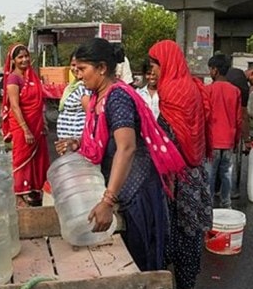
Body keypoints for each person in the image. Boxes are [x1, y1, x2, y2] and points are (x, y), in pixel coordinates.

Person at [55, 38, 186, 274]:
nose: (79, 75)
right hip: (122, 190)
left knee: (140, 262)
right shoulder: (98, 97)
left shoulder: (118, 98)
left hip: (136, 192)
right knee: (126, 258)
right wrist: (77, 143)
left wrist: (107, 201)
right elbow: (106, 140)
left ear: (102, 68)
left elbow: (126, 148)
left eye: (83, 69)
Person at [148, 40, 213, 289]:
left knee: (168, 231)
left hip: (177, 179)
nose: (152, 70)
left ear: (166, 63)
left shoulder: (172, 91)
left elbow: (169, 139)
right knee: (190, 234)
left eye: (155, 64)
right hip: (195, 173)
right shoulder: (192, 87)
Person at [1, 44, 50, 207]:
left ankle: (35, 190)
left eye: (26, 56)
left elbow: (39, 101)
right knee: (22, 158)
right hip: (22, 125)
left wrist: (43, 122)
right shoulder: (13, 79)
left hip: (37, 125)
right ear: (13, 60)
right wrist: (26, 130)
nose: (24, 60)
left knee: (39, 157)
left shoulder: (33, 76)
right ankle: (19, 195)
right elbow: (15, 106)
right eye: (20, 57)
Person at [225, 58, 253, 199]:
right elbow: (243, 115)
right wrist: (246, 139)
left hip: (216, 119)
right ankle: (229, 192)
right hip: (227, 127)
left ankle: (215, 189)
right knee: (227, 162)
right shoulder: (243, 88)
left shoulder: (233, 72)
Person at [205, 54, 243, 209]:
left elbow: (204, 116)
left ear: (215, 70)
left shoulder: (208, 90)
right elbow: (238, 119)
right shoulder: (235, 91)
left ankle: (208, 205)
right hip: (228, 139)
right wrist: (236, 140)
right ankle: (226, 204)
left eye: (210, 69)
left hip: (212, 140)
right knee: (226, 174)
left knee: (210, 174)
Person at [56, 53, 90, 141]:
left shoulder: (84, 88)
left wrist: (80, 141)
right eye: (73, 65)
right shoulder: (72, 86)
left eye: (80, 65)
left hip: (78, 142)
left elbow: (90, 116)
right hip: (68, 142)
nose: (76, 68)